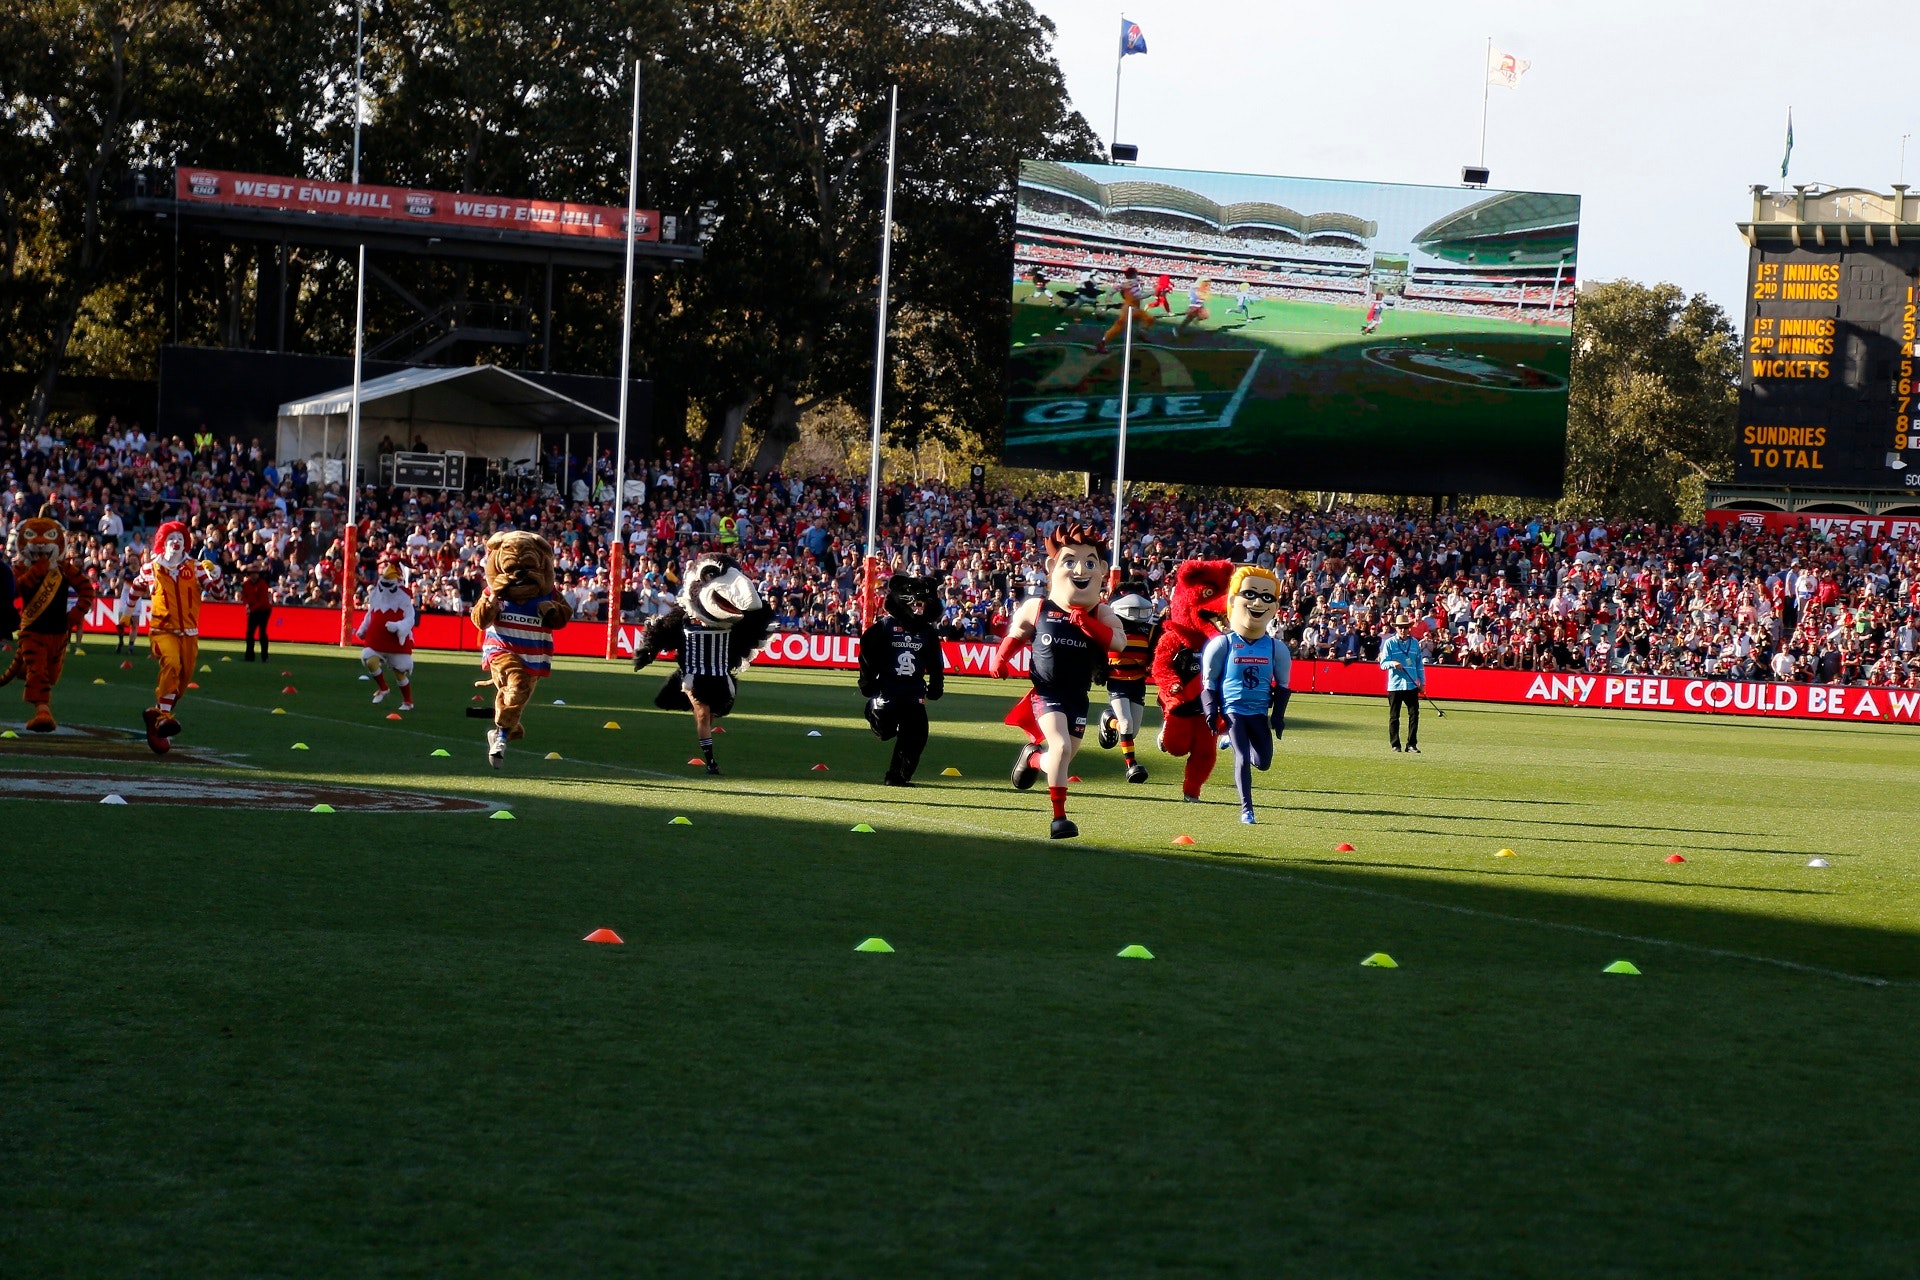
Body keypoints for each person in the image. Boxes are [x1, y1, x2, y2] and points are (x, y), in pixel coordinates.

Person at [991, 524, 1127, 839]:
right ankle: (1059, 819)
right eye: (1070, 561)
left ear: (1102, 570)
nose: (1080, 569)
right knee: (1061, 746)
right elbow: (1017, 633)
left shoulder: (1100, 612)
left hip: (1078, 696)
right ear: (1053, 567)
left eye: (1090, 563)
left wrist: (1088, 624)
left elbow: (1118, 643)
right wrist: (1001, 658)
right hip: (1045, 693)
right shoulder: (1039, 606)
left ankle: (1032, 757)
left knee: (1059, 756)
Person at [1200, 565, 1292, 824]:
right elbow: (1209, 681)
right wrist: (1211, 711)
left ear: (1274, 606)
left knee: (1263, 763)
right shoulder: (1224, 644)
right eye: (1250, 594)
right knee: (1242, 757)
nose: (1257, 602)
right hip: (1234, 711)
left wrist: (1279, 717)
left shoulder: (1276, 647)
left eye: (1266, 597)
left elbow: (1283, 685)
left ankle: (1232, 740)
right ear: (1233, 600)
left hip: (1259, 712)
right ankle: (1246, 809)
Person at [1379, 612, 1425, 752]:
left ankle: (1411, 744)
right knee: (1394, 716)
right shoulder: (1390, 643)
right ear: (1396, 628)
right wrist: (1393, 663)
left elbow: (1419, 664)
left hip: (1411, 685)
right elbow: (1383, 664)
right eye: (1400, 627)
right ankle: (1395, 744)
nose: (1403, 630)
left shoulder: (1415, 643)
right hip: (1395, 685)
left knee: (1414, 715)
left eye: (1405, 627)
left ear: (1408, 628)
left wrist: (1422, 682)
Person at [1093, 267, 1155, 355]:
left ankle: (1141, 333)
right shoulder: (1133, 283)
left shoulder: (1126, 283)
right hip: (1131, 309)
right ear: (1134, 274)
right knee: (1118, 327)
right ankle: (1102, 344)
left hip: (1131, 307)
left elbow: (1113, 290)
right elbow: (1138, 296)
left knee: (1148, 319)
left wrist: (1109, 298)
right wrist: (1152, 292)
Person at [240, 564, 274, 661]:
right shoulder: (246, 585)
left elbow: (262, 601)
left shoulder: (262, 584)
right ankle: (249, 656)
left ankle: (264, 656)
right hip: (253, 610)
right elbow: (244, 597)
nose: (254, 575)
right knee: (249, 634)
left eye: (255, 573)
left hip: (264, 611)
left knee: (262, 633)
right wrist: (247, 604)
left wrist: (251, 608)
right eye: (252, 574)